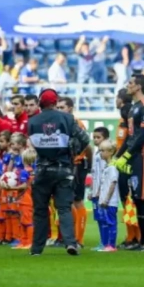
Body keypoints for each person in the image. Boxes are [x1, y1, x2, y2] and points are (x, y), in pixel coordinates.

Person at [27, 88, 89, 256]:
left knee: (40, 211)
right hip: (64, 169)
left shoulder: (32, 121)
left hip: (42, 170)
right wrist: (73, 153)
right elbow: (85, 139)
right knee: (64, 209)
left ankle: (36, 249)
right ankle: (71, 243)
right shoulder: (68, 119)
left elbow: (33, 144)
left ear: (40, 103)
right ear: (55, 102)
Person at [113, 74, 144, 250]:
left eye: (130, 83)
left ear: (138, 87)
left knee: (141, 198)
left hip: (141, 157)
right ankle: (139, 240)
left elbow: (142, 137)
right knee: (133, 199)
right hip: (131, 156)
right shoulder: (133, 108)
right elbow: (130, 137)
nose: (127, 86)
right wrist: (117, 156)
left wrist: (126, 156)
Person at [57, 96, 92, 248]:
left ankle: (79, 239)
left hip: (77, 165)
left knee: (77, 200)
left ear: (70, 108)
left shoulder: (77, 124)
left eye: (62, 107)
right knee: (65, 200)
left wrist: (87, 165)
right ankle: (65, 236)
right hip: (64, 164)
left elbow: (86, 146)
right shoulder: (58, 124)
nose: (59, 110)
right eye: (57, 108)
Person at [89, 127, 110, 251]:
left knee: (104, 218)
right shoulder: (96, 154)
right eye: (94, 137)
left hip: (102, 193)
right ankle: (102, 241)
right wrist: (92, 190)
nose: (95, 140)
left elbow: (104, 175)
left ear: (105, 139)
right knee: (98, 218)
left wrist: (99, 191)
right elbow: (94, 174)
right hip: (95, 192)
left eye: (98, 137)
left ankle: (106, 242)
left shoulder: (105, 156)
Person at [98, 141, 120, 252]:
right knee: (106, 222)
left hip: (110, 202)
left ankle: (112, 245)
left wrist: (106, 199)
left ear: (111, 152)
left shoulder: (112, 168)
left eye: (103, 151)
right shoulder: (107, 167)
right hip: (105, 201)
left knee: (111, 222)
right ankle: (107, 244)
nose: (100, 153)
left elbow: (113, 183)